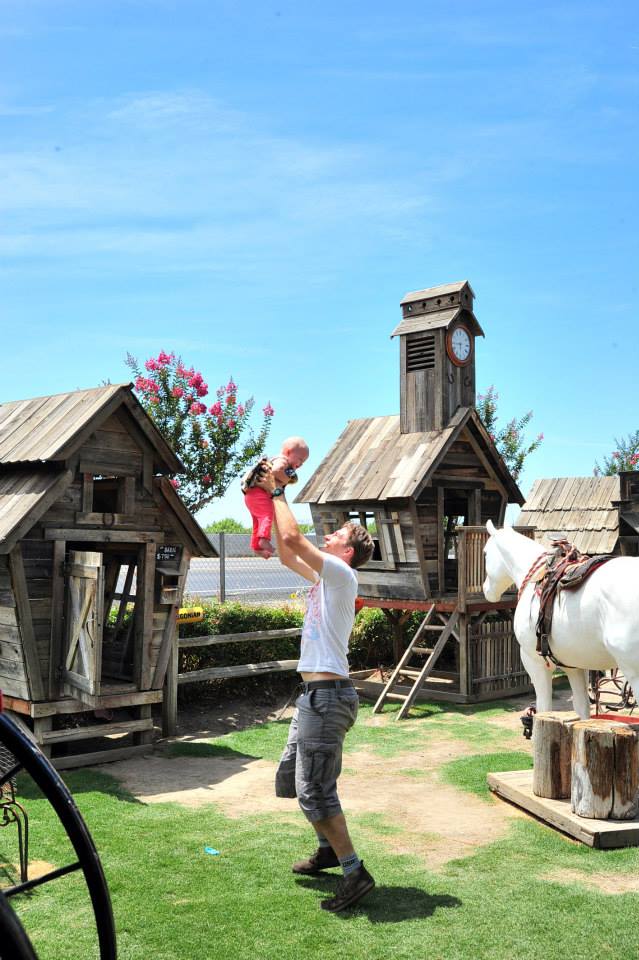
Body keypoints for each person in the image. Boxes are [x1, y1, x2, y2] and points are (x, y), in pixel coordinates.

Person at [257, 463, 376, 912]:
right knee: (294, 778)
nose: (327, 536)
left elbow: (293, 540)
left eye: (336, 535)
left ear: (347, 552)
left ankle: (354, 872)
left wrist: (278, 491)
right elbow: (287, 554)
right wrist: (269, 503)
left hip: (327, 699)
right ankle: (327, 851)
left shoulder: (342, 575)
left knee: (317, 791)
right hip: (314, 698)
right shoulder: (328, 580)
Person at [241, 437, 309, 558]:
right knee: (267, 515)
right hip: (259, 494)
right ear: (288, 452)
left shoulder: (277, 460)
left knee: (258, 522)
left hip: (251, 495)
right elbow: (276, 471)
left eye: (304, 462)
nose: (301, 464)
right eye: (300, 459)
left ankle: (256, 546)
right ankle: (264, 539)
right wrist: (286, 480)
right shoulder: (282, 460)